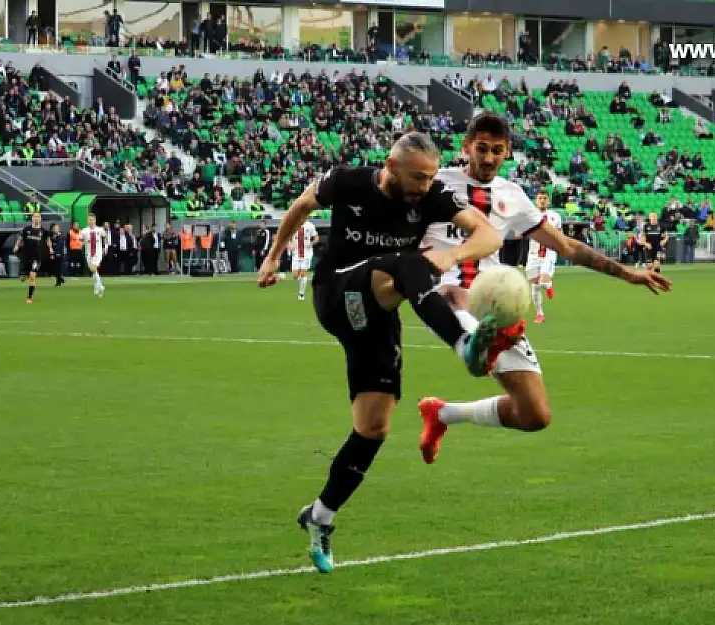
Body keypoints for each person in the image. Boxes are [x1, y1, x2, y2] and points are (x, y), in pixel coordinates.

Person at [255, 132, 513, 575]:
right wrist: (274, 255)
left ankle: (320, 516)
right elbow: (301, 206)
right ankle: (464, 345)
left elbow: (488, 234)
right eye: (417, 177)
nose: (425, 185)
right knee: (409, 262)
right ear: (390, 167)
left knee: (373, 428)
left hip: (378, 309)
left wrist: (455, 255)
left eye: (431, 177)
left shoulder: (431, 195)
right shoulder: (349, 182)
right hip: (337, 291)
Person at [417, 111, 670, 468]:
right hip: (443, 293)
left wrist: (627, 273)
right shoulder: (434, 184)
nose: (488, 158)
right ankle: (476, 347)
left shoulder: (512, 196)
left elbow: (566, 247)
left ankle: (443, 414)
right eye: (482, 148)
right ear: (466, 147)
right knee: (455, 299)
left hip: (495, 300)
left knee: (534, 415)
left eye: (497, 151)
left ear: (507, 152)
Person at [523, 190, 562, 323]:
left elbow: (559, 234)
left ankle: (549, 285)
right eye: (540, 198)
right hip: (533, 255)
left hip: (549, 253)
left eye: (545, 198)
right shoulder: (529, 215)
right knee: (534, 286)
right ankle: (540, 314)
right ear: (536, 200)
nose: (543, 200)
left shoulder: (555, 217)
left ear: (549, 200)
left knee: (543, 282)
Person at [13, 212, 53, 304]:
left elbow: (48, 240)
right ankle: (25, 275)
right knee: (23, 278)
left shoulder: (43, 231)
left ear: (40, 219)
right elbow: (20, 238)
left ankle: (29, 297)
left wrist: (50, 248)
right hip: (26, 257)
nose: (36, 218)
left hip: (37, 258)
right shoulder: (26, 229)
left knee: (32, 275)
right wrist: (16, 246)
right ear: (32, 218)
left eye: (38, 217)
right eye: (35, 217)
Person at [287, 219, 319, 300]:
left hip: (307, 254)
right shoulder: (293, 225)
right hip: (296, 253)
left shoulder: (310, 225)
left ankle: (301, 294)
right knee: (295, 275)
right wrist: (289, 245)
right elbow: (286, 238)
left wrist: (311, 243)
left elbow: (316, 238)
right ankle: (300, 280)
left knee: (303, 273)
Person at [80, 213, 109, 297]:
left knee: (93, 268)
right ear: (87, 220)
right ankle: (98, 286)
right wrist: (81, 244)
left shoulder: (99, 230)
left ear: (95, 220)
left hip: (97, 252)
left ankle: (99, 286)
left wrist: (105, 247)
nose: (91, 221)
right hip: (88, 253)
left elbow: (105, 237)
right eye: (89, 219)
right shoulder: (84, 231)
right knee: (93, 271)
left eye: (92, 219)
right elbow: (81, 241)